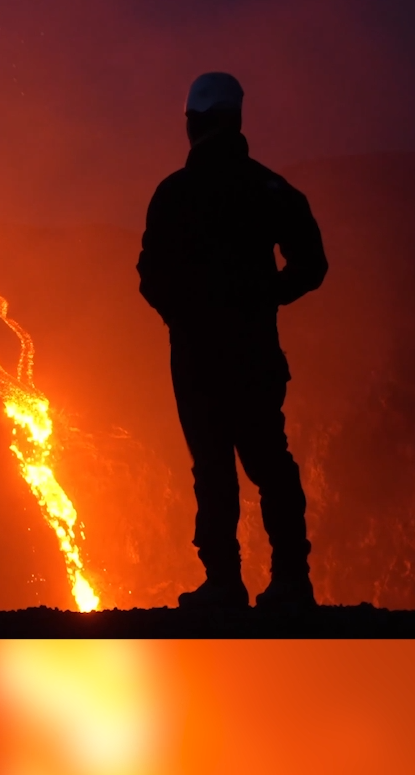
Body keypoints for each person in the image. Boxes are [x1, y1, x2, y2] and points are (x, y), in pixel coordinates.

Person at [137, 72, 328, 611]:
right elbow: (312, 264)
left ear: (193, 123)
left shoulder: (173, 195)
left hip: (195, 360)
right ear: (235, 120)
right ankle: (291, 582)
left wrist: (185, 315)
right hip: (253, 354)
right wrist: (266, 296)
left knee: (213, 469)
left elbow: (150, 275)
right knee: (271, 463)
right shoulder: (267, 189)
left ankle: (223, 585)